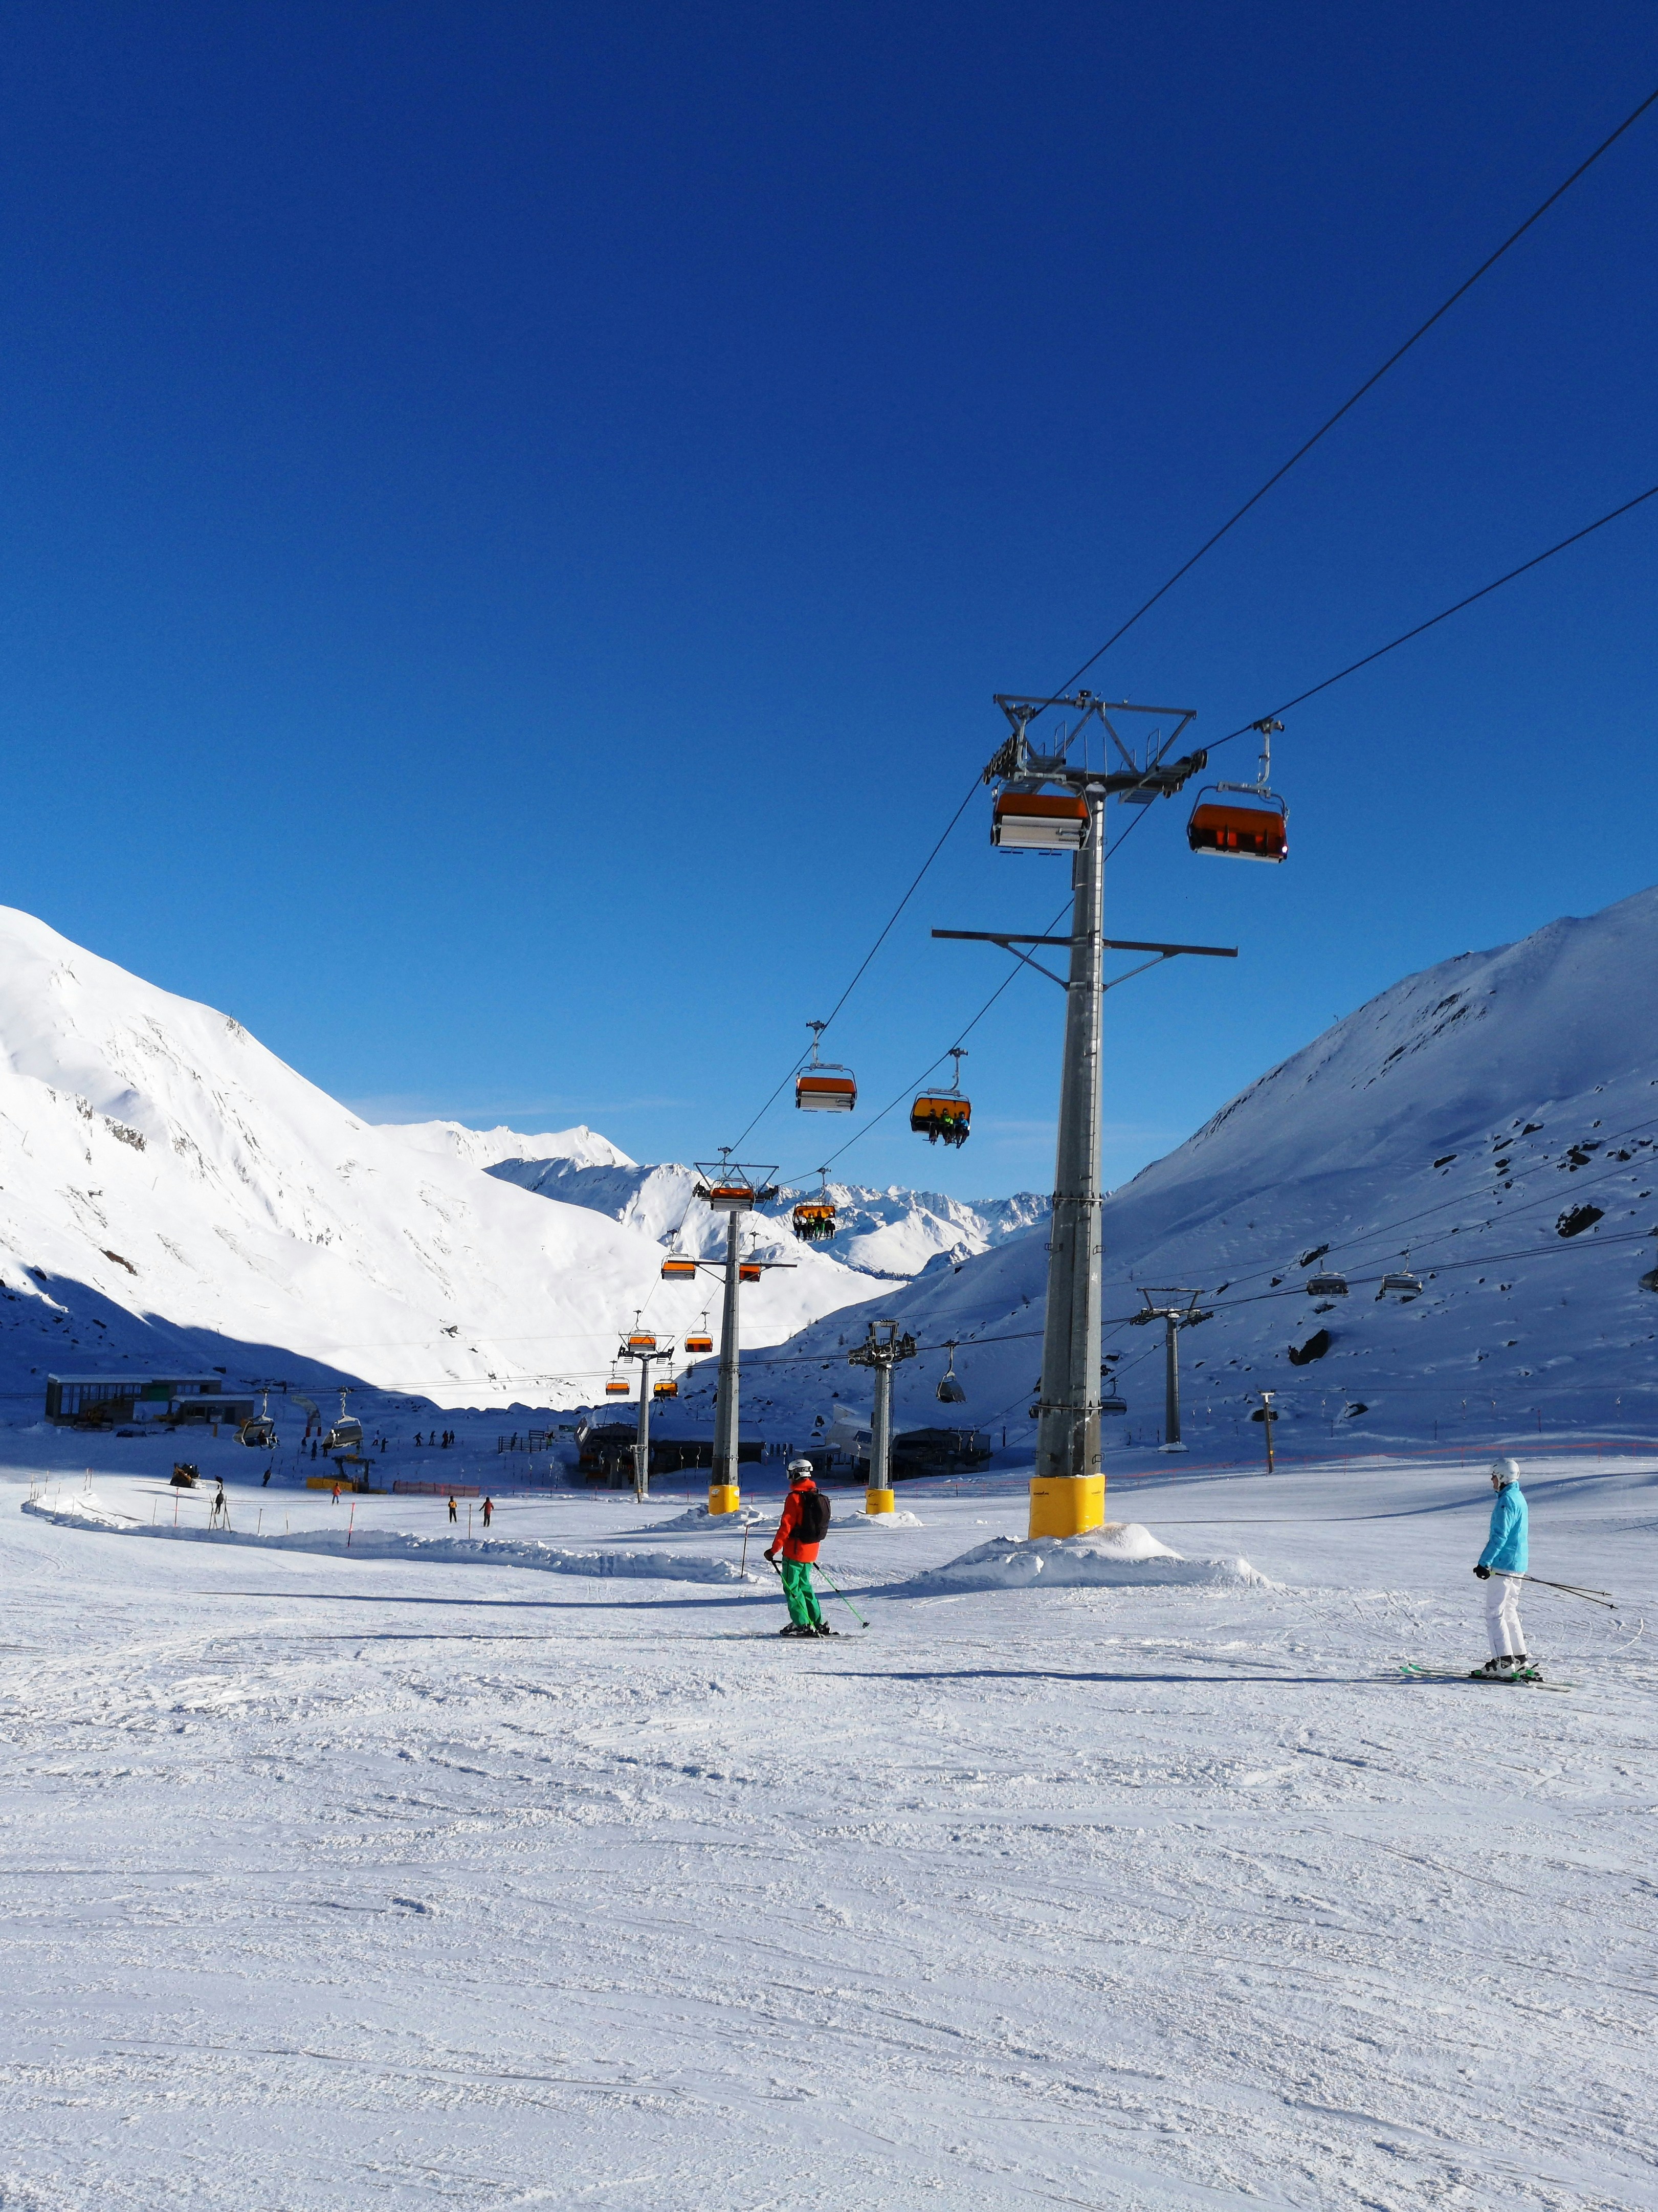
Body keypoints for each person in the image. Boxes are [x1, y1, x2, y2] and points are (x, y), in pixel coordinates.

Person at [1471, 1456, 1534, 1677]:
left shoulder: (1506, 1501)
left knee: (1494, 1613)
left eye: (1494, 1476)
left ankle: (1503, 1663)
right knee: (1509, 1612)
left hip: (1504, 1565)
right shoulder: (1518, 1497)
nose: (1491, 1480)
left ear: (1502, 1477)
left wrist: (1484, 1563)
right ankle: (1519, 1658)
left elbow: (1500, 1537)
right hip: (1517, 1564)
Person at [765, 1459, 832, 1636]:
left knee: (792, 1587)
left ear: (796, 1474)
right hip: (811, 1550)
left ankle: (801, 1623)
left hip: (795, 1551)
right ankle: (816, 1621)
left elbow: (786, 1527)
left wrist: (773, 1550)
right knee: (805, 1586)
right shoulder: (815, 1495)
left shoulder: (794, 1498)